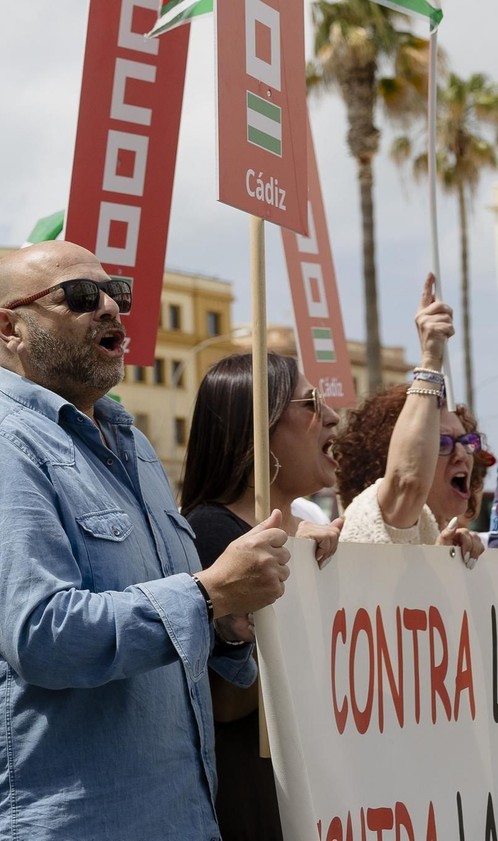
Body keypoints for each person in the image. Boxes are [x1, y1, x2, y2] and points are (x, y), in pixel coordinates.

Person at [0, 241, 291, 841]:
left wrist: (225, 624)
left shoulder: (135, 448)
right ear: (9, 328)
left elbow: (173, 623)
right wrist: (205, 596)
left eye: (115, 293)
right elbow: (42, 635)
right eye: (78, 296)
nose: (109, 307)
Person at [178, 354, 348, 841]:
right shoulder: (211, 534)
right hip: (257, 801)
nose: (333, 415)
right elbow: (224, 705)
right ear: (259, 428)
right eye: (312, 402)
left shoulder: (309, 533)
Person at [333, 275, 488, 561]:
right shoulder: (375, 515)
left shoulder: (446, 539)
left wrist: (447, 565)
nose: (462, 454)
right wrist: (431, 360)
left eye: (466, 441)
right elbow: (407, 480)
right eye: (441, 442)